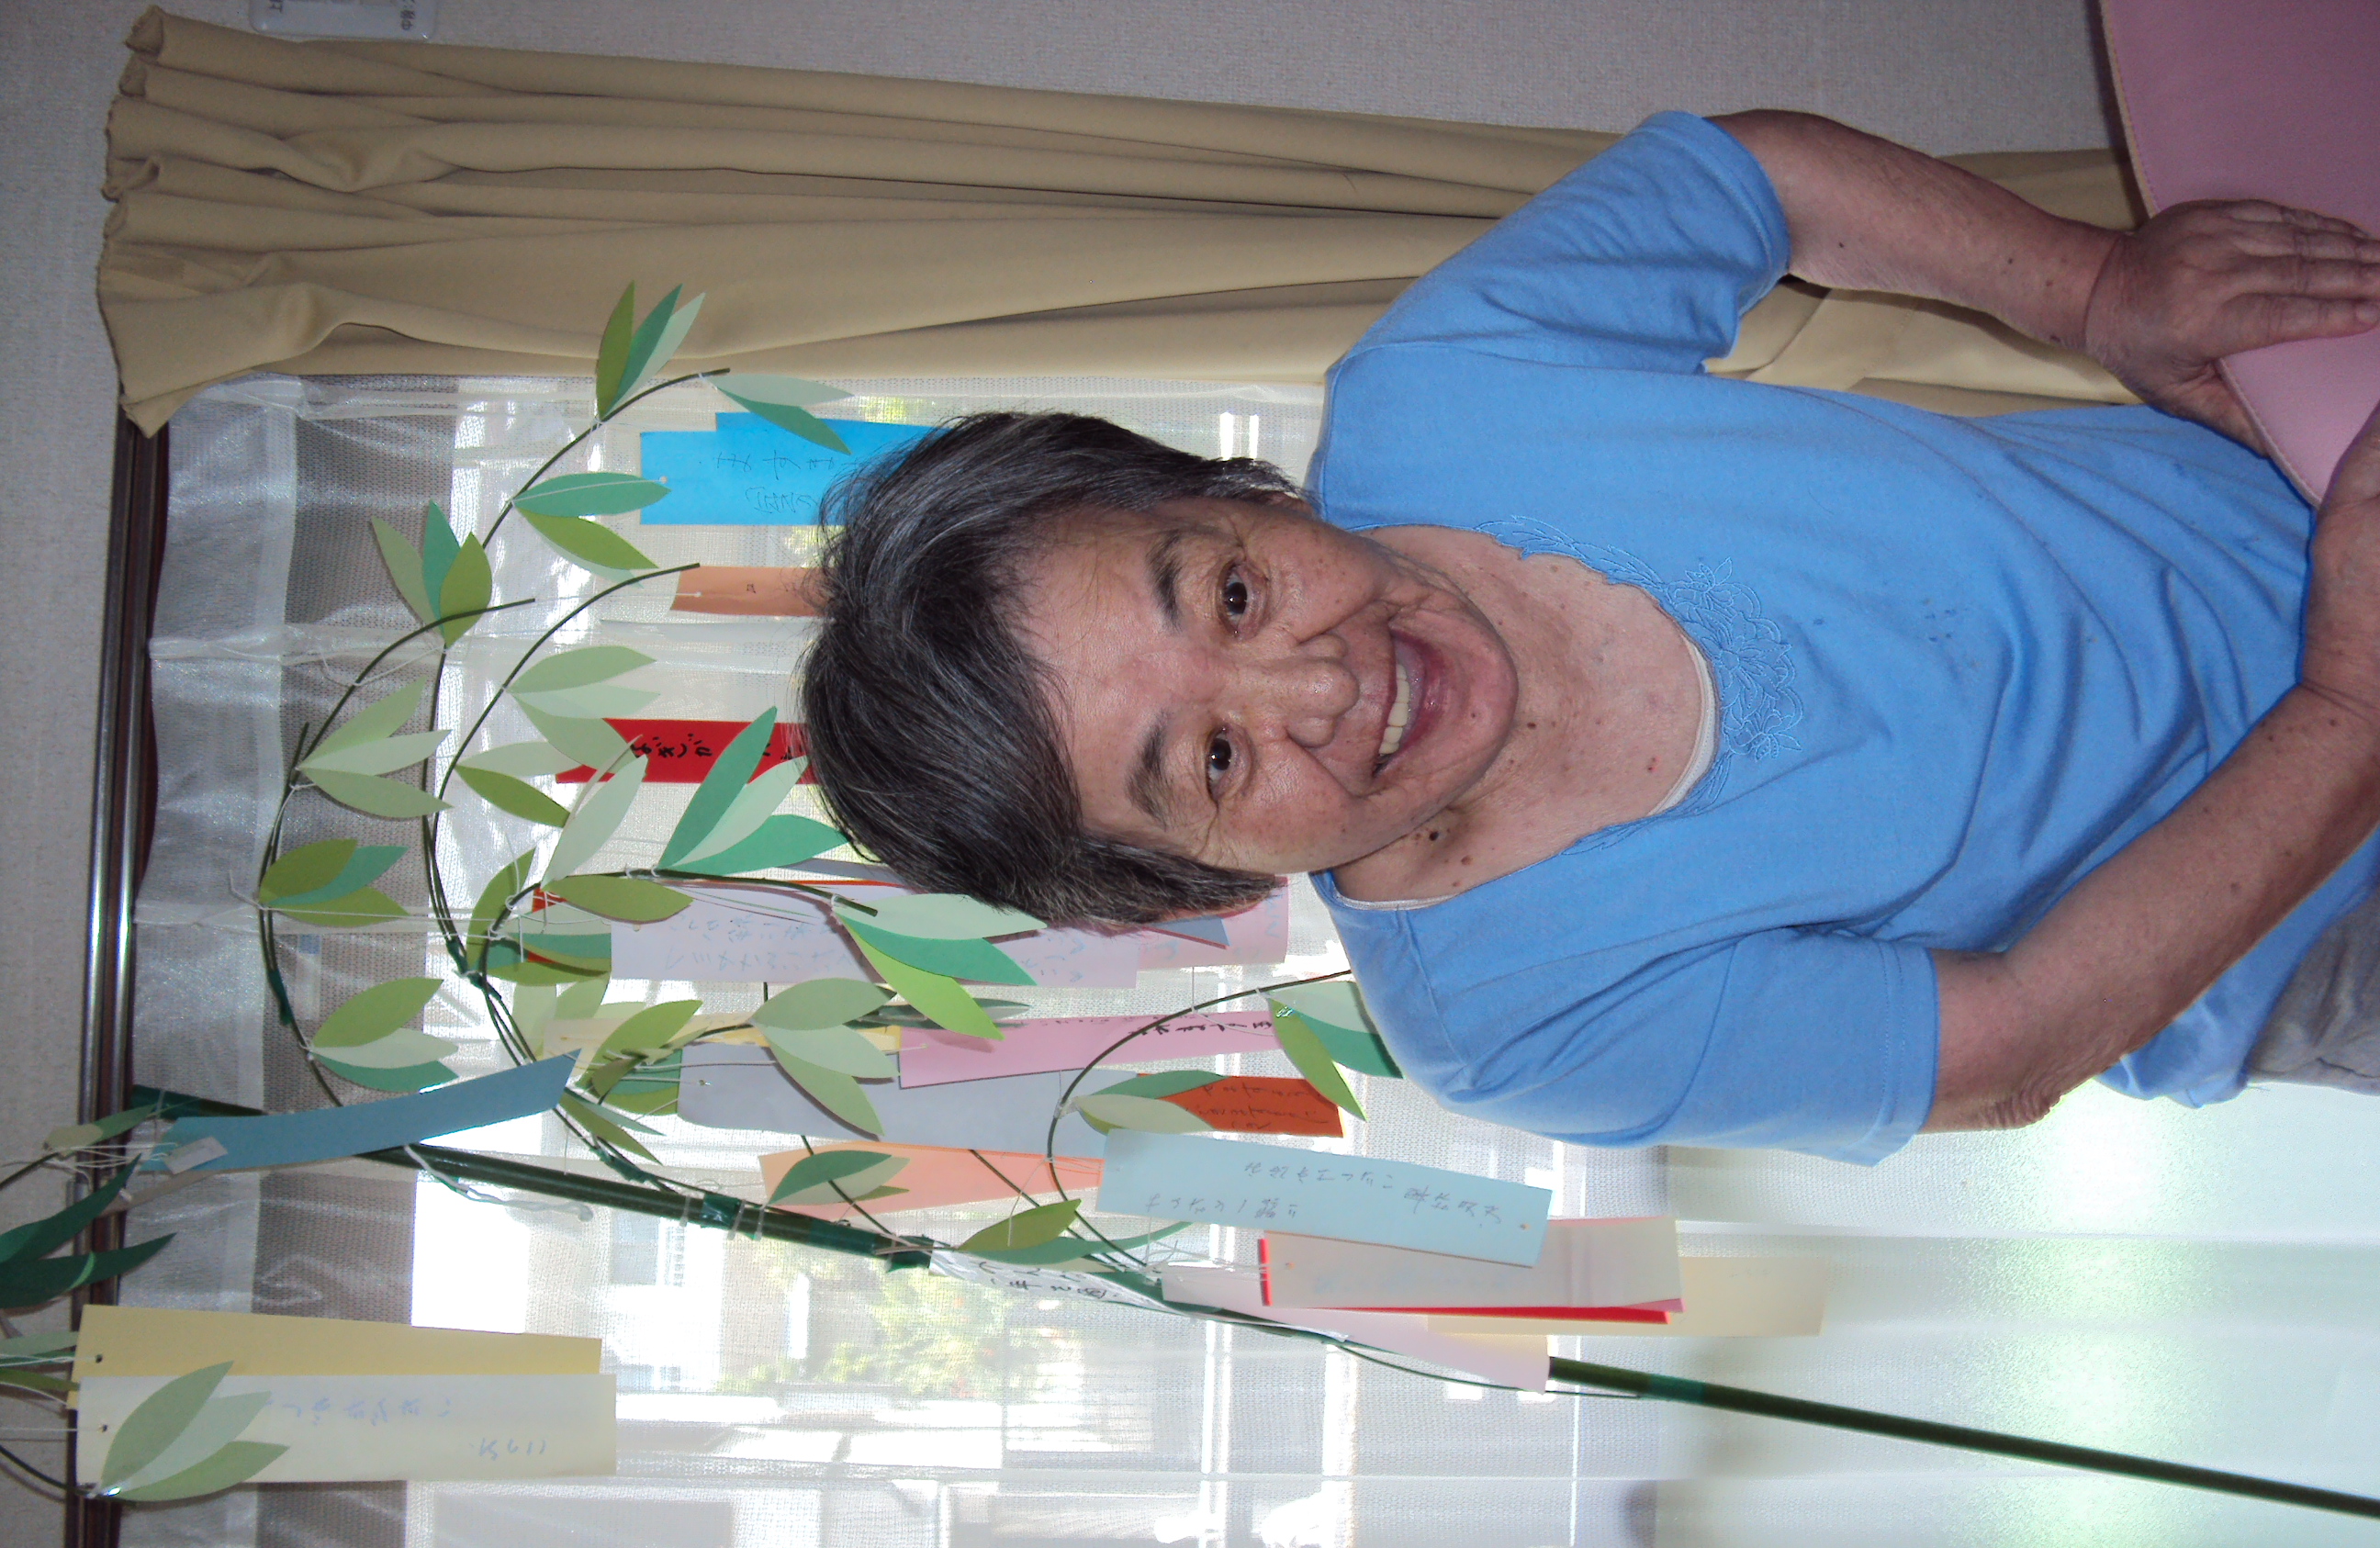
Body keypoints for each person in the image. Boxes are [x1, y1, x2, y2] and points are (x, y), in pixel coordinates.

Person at [800, 109, 2380, 1162]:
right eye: (1213, 761)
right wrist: (2347, 705)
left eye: (1230, 594)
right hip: (2313, 927)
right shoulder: (1514, 1023)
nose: (1321, 683)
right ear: (1201, 885)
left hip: (2301, 490)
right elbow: (2010, 1048)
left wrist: (2099, 291)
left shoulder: (1452, 391)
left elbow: (1759, 182)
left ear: (1235, 491)